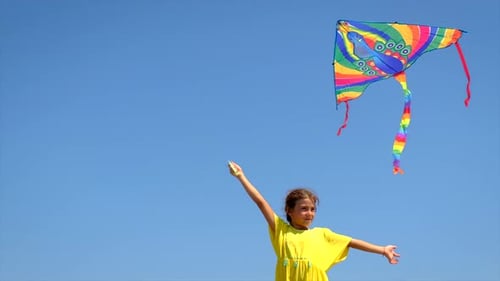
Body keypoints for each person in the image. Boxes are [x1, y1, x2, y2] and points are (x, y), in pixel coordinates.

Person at [228, 161, 400, 281]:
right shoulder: (281, 231)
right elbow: (261, 203)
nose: (309, 213)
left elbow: (351, 242)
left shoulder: (322, 234)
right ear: (289, 210)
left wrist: (382, 250)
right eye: (304, 209)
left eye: (312, 209)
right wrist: (241, 177)